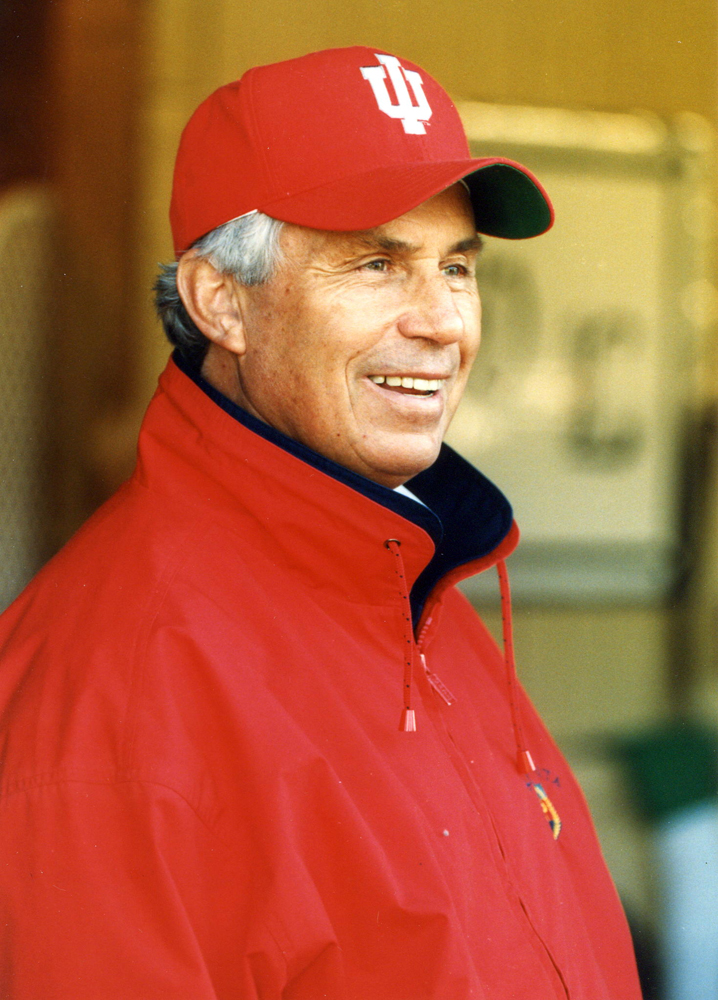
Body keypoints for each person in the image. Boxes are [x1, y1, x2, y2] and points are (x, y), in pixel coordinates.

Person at [0, 46, 641, 999]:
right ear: (224, 303)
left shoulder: (408, 581)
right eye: (377, 264)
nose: (441, 323)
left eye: (456, 267)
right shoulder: (116, 688)